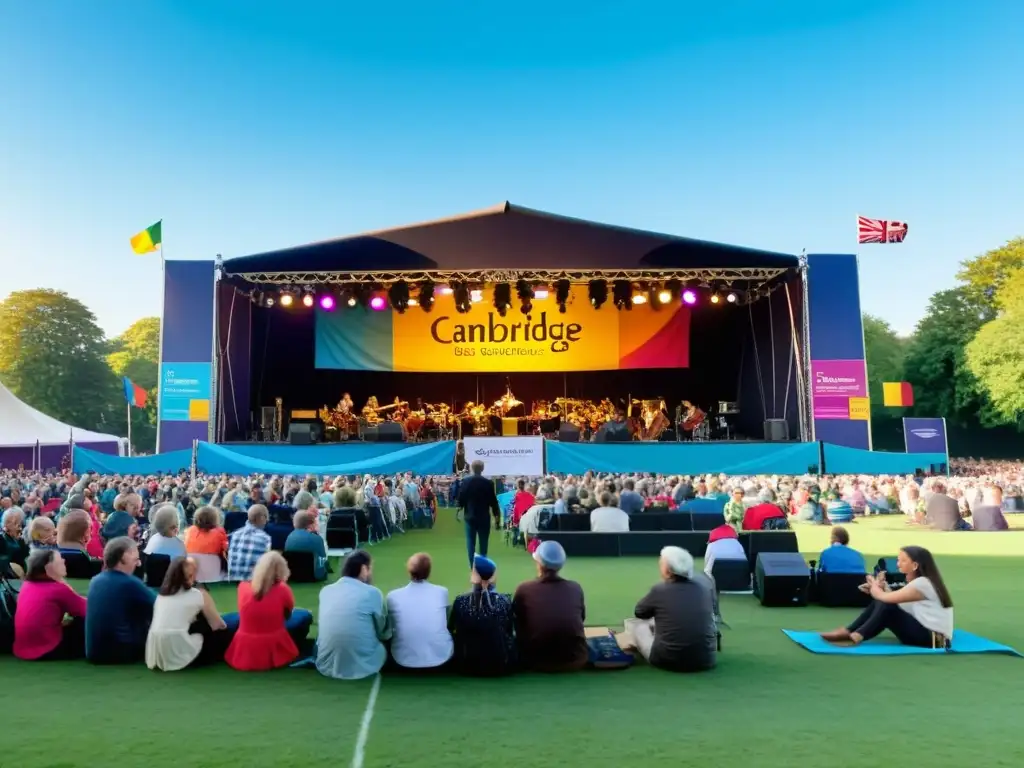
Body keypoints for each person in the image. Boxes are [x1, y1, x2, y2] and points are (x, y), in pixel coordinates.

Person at [821, 546, 954, 647]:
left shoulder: (922, 583)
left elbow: (887, 599)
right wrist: (880, 588)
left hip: (932, 639)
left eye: (902, 561)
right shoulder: (923, 582)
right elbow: (898, 600)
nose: (898, 564)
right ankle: (849, 631)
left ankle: (856, 635)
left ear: (915, 566)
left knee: (885, 602)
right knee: (883, 601)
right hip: (928, 635)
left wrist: (874, 586)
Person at [626, 547, 717, 672]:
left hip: (666, 660)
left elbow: (640, 612)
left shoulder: (659, 589)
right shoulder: (704, 587)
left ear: (667, 570)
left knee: (639, 627)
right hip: (706, 659)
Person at [224, 551, 312, 670]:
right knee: (304, 614)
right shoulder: (283, 589)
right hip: (274, 637)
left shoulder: (243, 586)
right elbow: (288, 614)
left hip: (245, 643)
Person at [316, 550, 393, 680]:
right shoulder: (372, 593)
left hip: (327, 663)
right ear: (364, 569)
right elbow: (382, 632)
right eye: (370, 569)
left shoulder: (326, 591)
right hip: (364, 665)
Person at [512, 540, 588, 672]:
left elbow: (517, 621)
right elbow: (581, 618)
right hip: (573, 659)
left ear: (539, 563)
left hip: (531, 660)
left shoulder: (524, 589)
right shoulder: (575, 588)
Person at [146, 556, 231, 671]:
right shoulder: (199, 594)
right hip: (184, 651)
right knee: (228, 627)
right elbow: (219, 625)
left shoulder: (161, 596)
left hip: (157, 653)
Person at [85, 537, 155, 664]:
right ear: (123, 557)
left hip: (94, 652)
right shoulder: (129, 583)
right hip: (122, 652)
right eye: (136, 559)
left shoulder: (95, 580)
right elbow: (158, 606)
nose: (138, 564)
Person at [448, 554, 517, 676]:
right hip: (498, 665)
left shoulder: (460, 601)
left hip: (466, 665)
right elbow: (509, 631)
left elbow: (451, 629)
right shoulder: (504, 601)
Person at [13, 549, 88, 661]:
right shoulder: (58, 589)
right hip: (48, 647)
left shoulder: (26, 585)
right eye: (59, 560)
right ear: (49, 567)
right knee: (86, 621)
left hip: (23, 647)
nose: (64, 561)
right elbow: (88, 610)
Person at [385, 553, 453, 671]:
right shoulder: (442, 592)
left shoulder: (393, 596)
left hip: (403, 658)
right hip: (440, 657)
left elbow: (390, 627)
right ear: (429, 571)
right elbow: (447, 622)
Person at [457, 460, 502, 567]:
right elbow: (493, 502)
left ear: (472, 469)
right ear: (482, 469)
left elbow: (461, 497)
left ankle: (472, 565)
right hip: (484, 517)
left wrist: (458, 510)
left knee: (470, 542)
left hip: (470, 516)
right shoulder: (488, 483)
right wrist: (497, 517)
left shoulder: (466, 481)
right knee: (483, 542)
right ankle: (482, 564)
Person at [227, 504, 272, 581]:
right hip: (253, 580)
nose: (267, 520)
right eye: (266, 517)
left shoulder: (234, 534)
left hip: (233, 579)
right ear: (261, 518)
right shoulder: (265, 538)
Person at [284, 509, 329, 581]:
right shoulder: (317, 539)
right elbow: (322, 563)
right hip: (314, 577)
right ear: (309, 524)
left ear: (294, 523)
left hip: (292, 577)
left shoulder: (289, 537)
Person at [1, 507, 29, 575]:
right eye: (8, 521)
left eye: (16, 522)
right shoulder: (2, 538)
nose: (9, 525)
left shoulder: (23, 539)